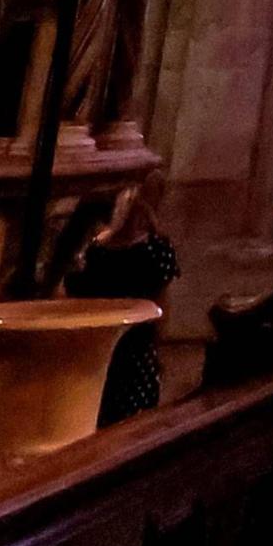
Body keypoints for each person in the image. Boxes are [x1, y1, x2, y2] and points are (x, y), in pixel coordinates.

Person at [71, 175, 178, 420]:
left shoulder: (97, 251)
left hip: (101, 344)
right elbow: (162, 308)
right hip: (136, 347)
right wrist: (159, 350)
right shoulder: (157, 250)